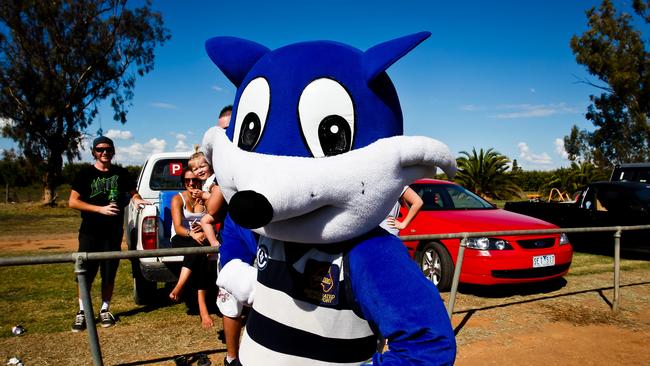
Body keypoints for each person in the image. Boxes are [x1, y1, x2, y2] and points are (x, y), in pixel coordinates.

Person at [69, 135, 149, 332]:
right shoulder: (85, 174)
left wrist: (137, 199)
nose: (104, 153)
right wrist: (100, 209)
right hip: (90, 231)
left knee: (108, 273)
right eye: (100, 150)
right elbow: (73, 202)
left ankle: (105, 309)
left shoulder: (121, 173)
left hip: (112, 233)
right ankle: (82, 312)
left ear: (113, 151)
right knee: (85, 273)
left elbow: (133, 192)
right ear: (94, 152)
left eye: (108, 149)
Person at [167, 166, 214, 329]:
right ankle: (203, 308)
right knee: (198, 249)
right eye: (188, 180)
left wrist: (202, 229)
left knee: (199, 250)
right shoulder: (177, 198)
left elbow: (214, 220)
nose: (192, 183)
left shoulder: (207, 197)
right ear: (184, 182)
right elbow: (178, 227)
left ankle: (180, 285)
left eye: (195, 179)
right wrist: (192, 233)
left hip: (202, 237)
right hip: (182, 237)